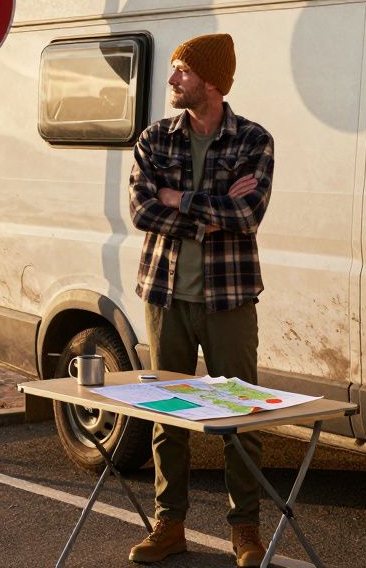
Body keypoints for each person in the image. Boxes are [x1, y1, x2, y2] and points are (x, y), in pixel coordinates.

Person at [126, 33, 276, 567]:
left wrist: (181, 198)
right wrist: (210, 210)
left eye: (182, 71)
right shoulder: (154, 140)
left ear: (212, 80)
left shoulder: (254, 141)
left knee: (240, 413)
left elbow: (247, 217)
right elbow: (142, 212)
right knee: (170, 414)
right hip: (165, 296)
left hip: (230, 297)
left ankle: (246, 531)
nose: (171, 80)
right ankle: (170, 525)